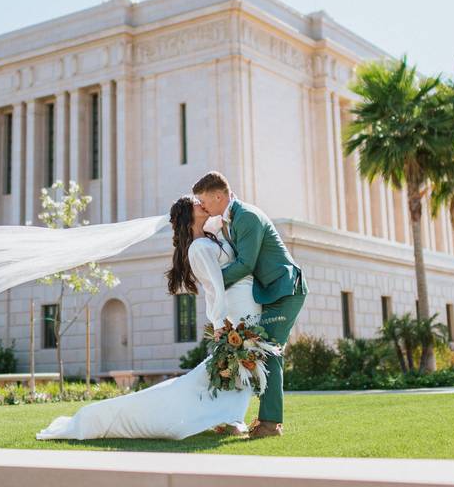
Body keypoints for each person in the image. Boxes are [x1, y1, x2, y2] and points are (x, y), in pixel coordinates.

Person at [35, 196, 261, 440]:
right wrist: (220, 324)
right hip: (232, 318)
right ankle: (228, 418)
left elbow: (227, 214)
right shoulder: (199, 247)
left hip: (241, 311)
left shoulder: (210, 236)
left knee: (231, 369)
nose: (202, 204)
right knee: (229, 369)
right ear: (188, 216)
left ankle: (229, 418)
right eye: (197, 203)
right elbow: (213, 288)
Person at [192, 171, 308, 439]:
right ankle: (240, 418)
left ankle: (269, 424)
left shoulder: (247, 217)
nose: (203, 206)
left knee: (269, 352)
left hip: (285, 291)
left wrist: (213, 281)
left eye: (205, 201)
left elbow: (246, 264)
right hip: (269, 294)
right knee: (256, 352)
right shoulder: (231, 219)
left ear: (219, 196)